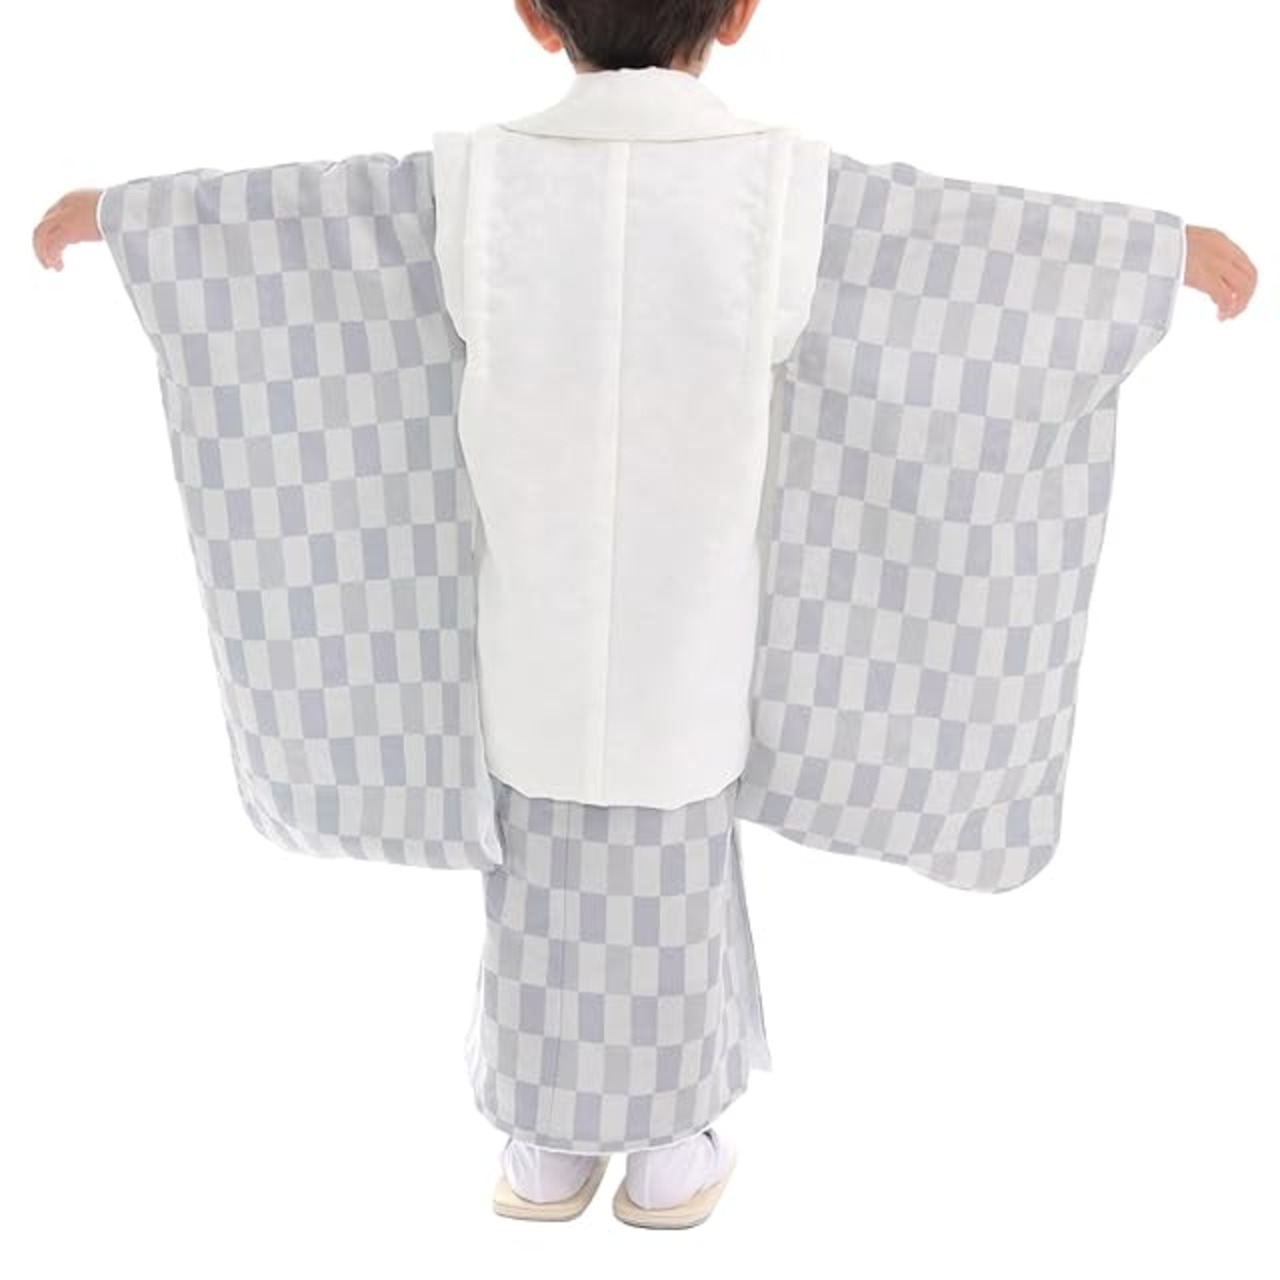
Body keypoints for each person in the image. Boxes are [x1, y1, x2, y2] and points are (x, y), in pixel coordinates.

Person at [31, 0, 1258, 1232]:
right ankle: (669, 1152)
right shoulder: (782, 188)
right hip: (694, 640)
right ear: (738, 13)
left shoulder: (473, 183)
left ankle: (543, 1147)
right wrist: (1144, 257)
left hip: (529, 634)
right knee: (670, 886)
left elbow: (290, 232)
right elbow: (965, 249)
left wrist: (127, 221)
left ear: (531, 14)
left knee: (539, 890)